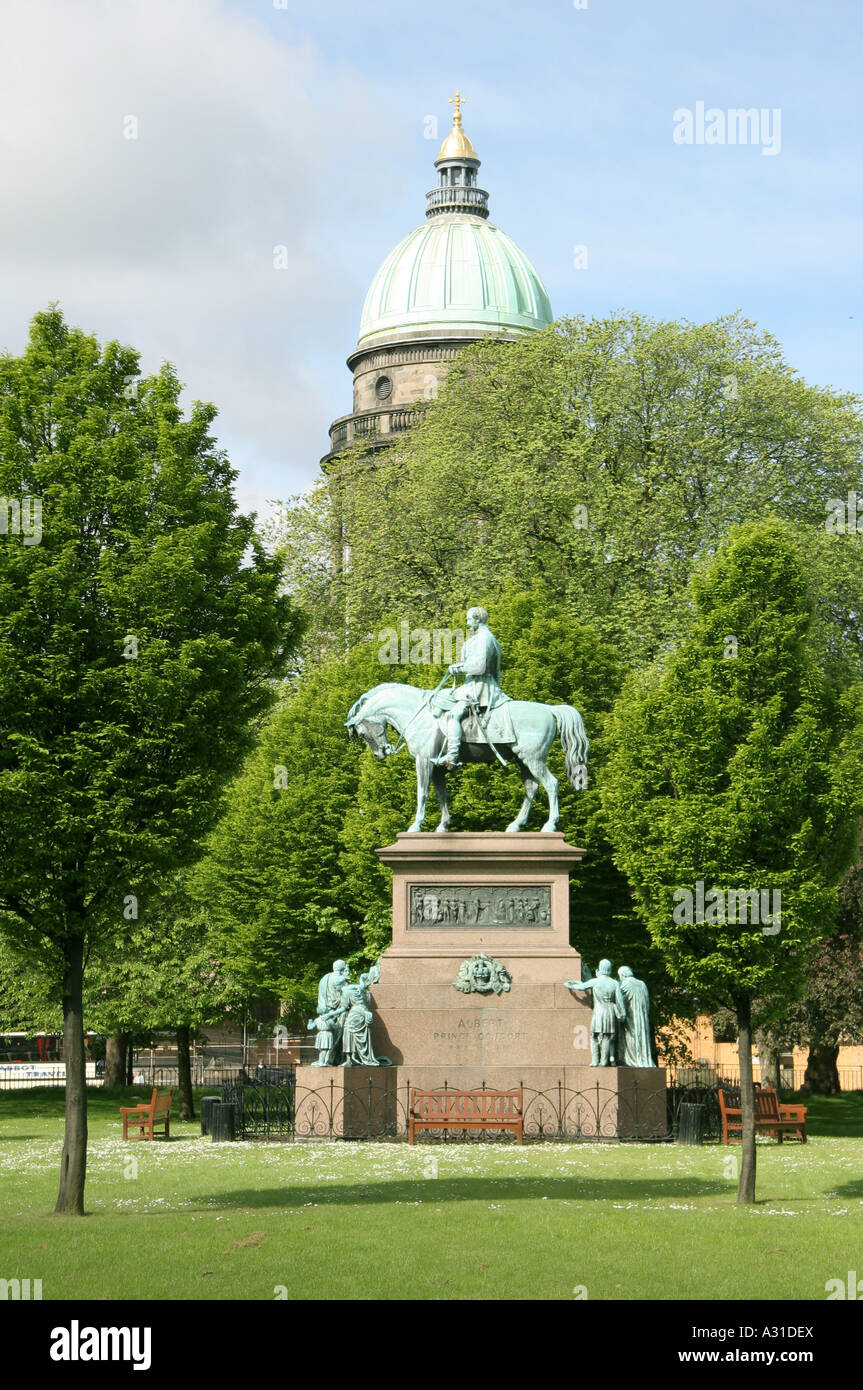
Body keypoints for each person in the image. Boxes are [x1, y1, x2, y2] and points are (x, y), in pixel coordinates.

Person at [433, 606, 511, 769]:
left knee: (453, 715)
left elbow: (478, 667)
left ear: (477, 619)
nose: (467, 622)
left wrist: (458, 668)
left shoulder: (484, 638)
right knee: (442, 699)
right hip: (484, 685)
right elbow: (496, 672)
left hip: (478, 687)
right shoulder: (488, 639)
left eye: (469, 619)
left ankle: (452, 755)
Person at [564, 959, 625, 1066]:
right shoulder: (615, 983)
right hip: (610, 1012)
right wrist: (622, 1014)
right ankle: (604, 1061)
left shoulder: (595, 981)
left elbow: (582, 987)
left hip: (599, 1012)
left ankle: (595, 1060)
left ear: (600, 969)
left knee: (594, 1035)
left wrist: (570, 985)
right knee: (607, 1037)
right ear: (610, 969)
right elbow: (620, 1001)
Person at [308, 959, 351, 1065]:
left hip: (326, 1009)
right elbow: (346, 995)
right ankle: (331, 1060)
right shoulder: (342, 979)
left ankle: (325, 1060)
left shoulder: (324, 978)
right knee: (337, 1036)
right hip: (338, 1011)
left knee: (326, 1045)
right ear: (342, 969)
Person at [616, 966, 656, 1067]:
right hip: (642, 1017)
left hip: (631, 1015)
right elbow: (647, 1002)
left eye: (620, 976)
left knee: (631, 1036)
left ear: (623, 975)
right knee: (642, 1037)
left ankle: (632, 1060)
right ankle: (643, 1059)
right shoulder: (642, 984)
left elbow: (620, 1001)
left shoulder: (624, 984)